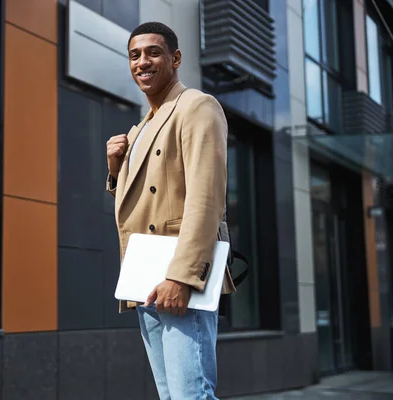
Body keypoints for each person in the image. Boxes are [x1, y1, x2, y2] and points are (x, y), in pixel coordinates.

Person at [105, 22, 236, 399]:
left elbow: (205, 199)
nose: (142, 62)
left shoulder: (196, 105)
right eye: (134, 55)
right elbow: (141, 202)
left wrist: (182, 277)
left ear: (176, 58)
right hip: (144, 278)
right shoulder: (140, 127)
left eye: (153, 52)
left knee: (190, 394)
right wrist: (115, 171)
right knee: (171, 395)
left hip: (179, 279)